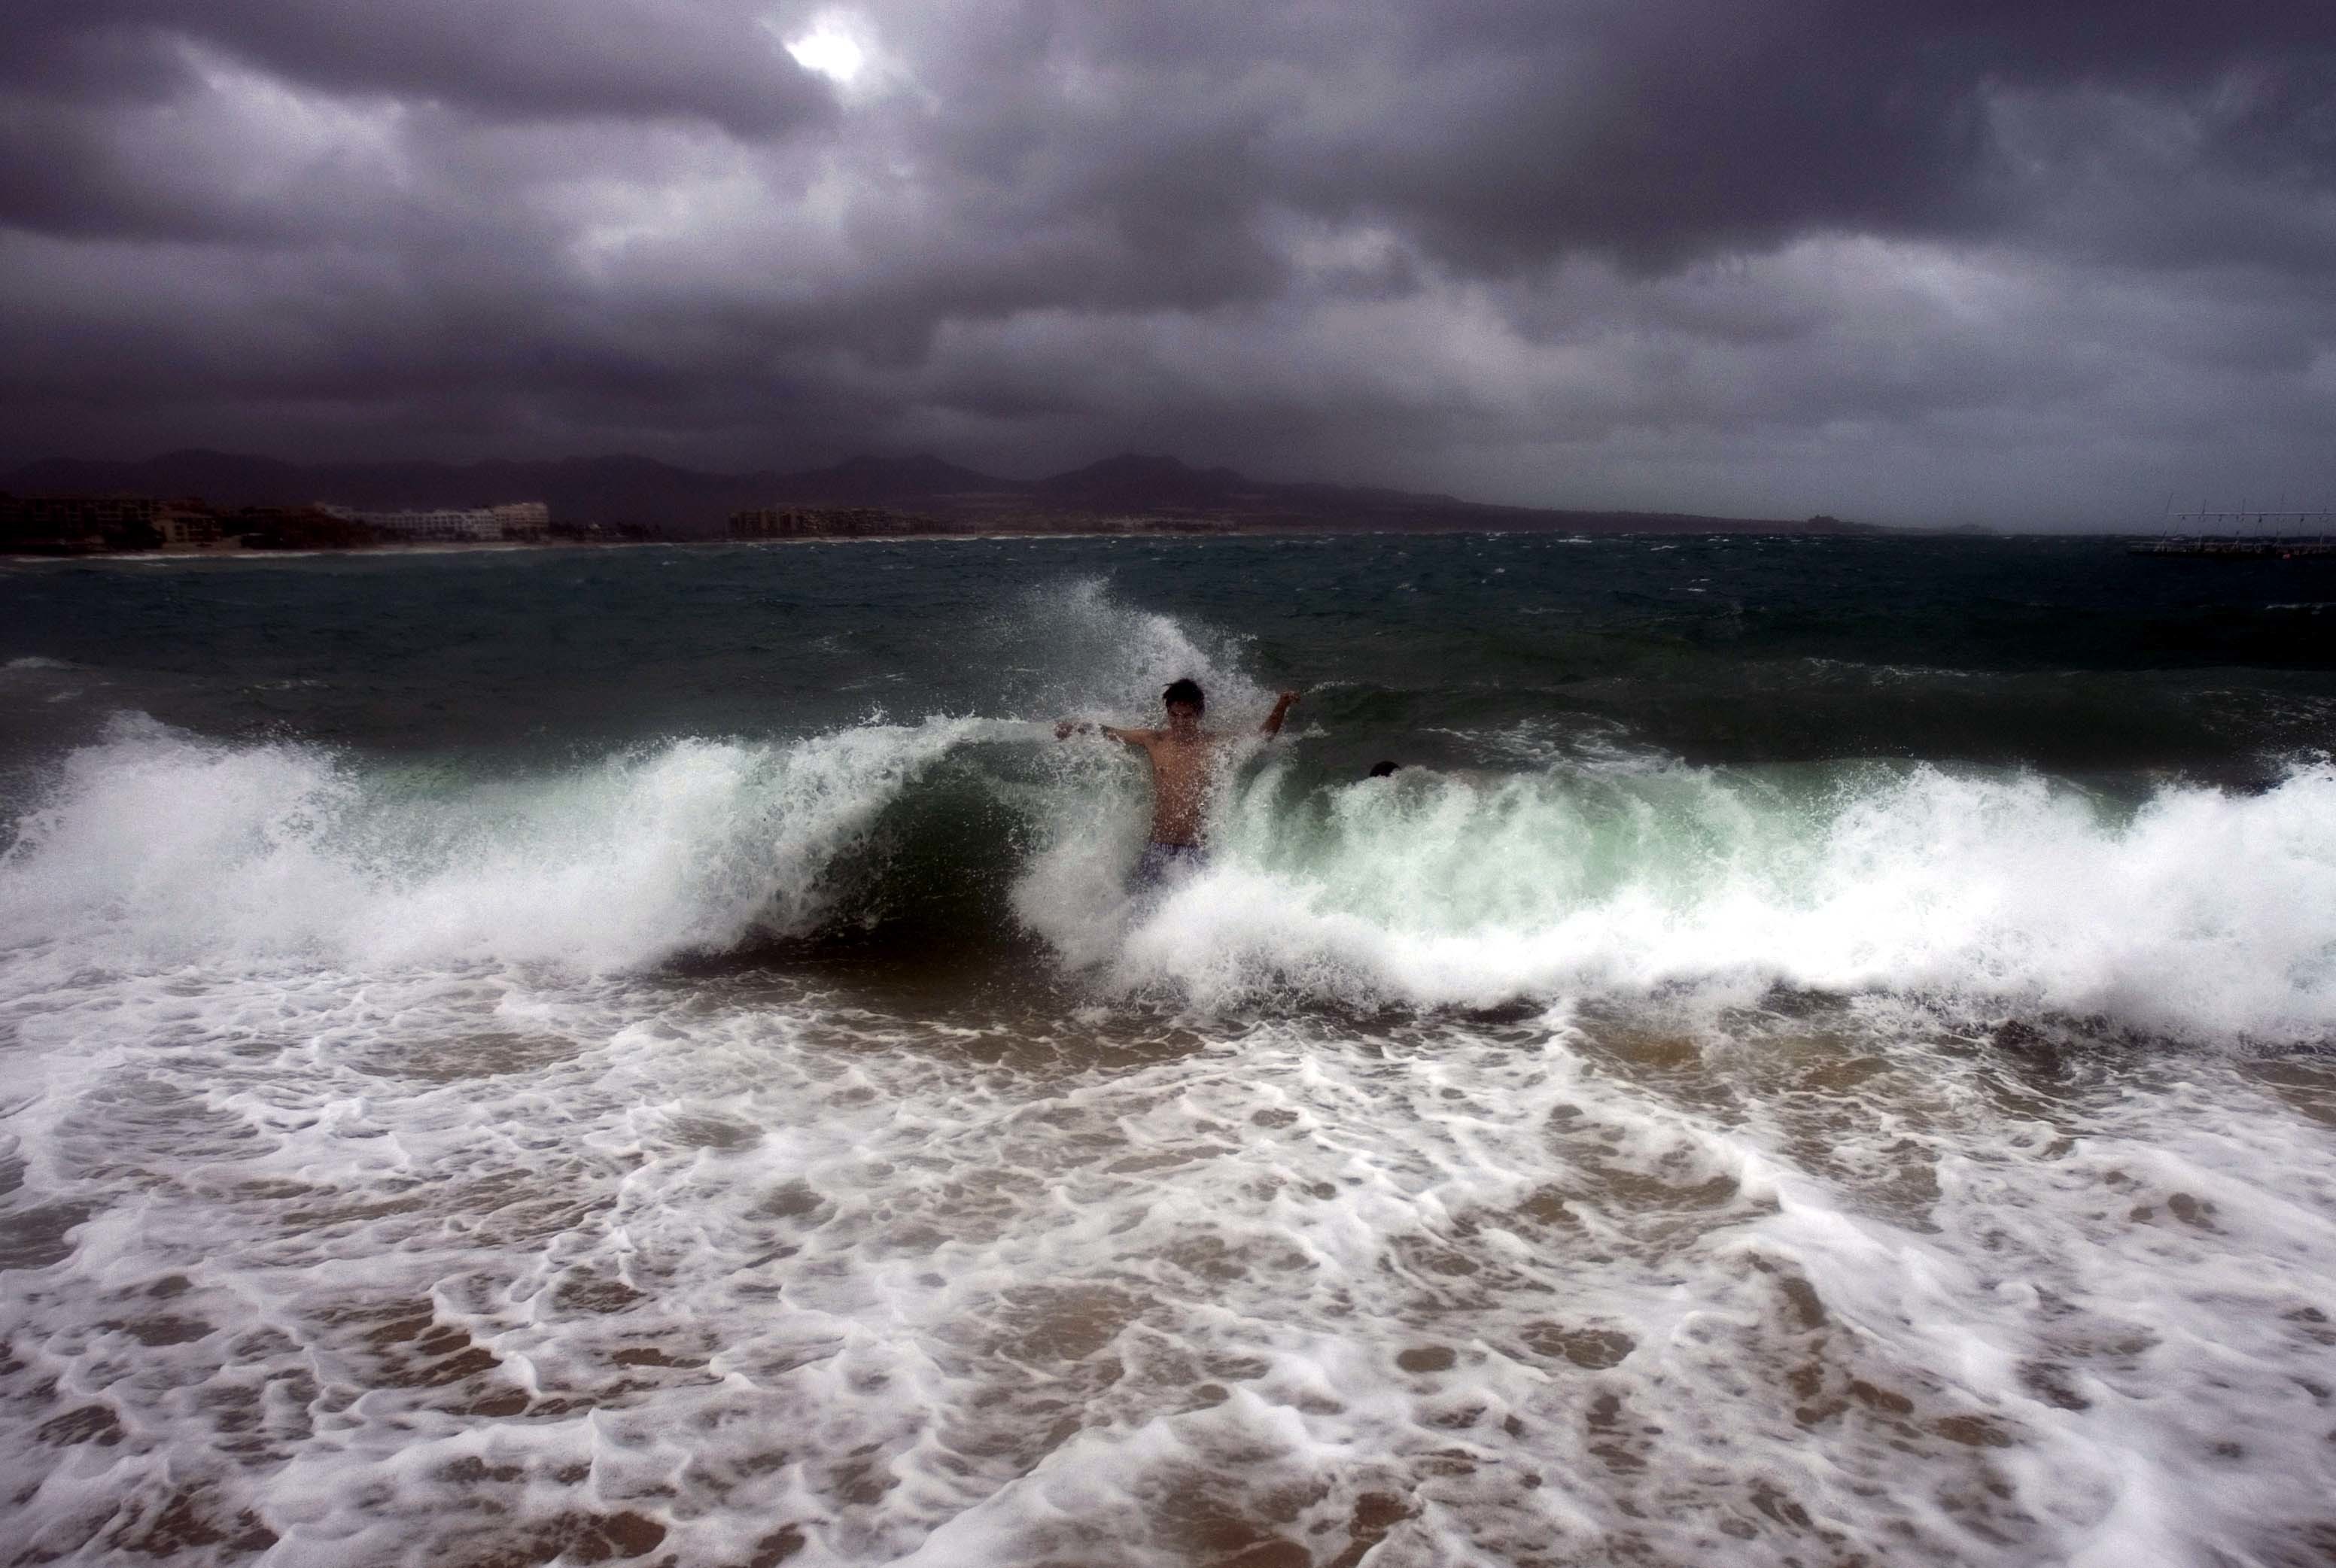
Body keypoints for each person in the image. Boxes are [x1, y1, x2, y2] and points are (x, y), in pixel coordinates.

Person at [1057, 679, 1301, 887]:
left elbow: (1262, 738)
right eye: (1174, 715)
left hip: (1198, 850)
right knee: (1136, 910)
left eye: (1187, 716)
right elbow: (1110, 732)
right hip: (1158, 846)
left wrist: (1281, 705)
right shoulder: (1154, 740)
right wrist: (1077, 728)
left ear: (1199, 714)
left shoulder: (1215, 744)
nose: (1180, 721)